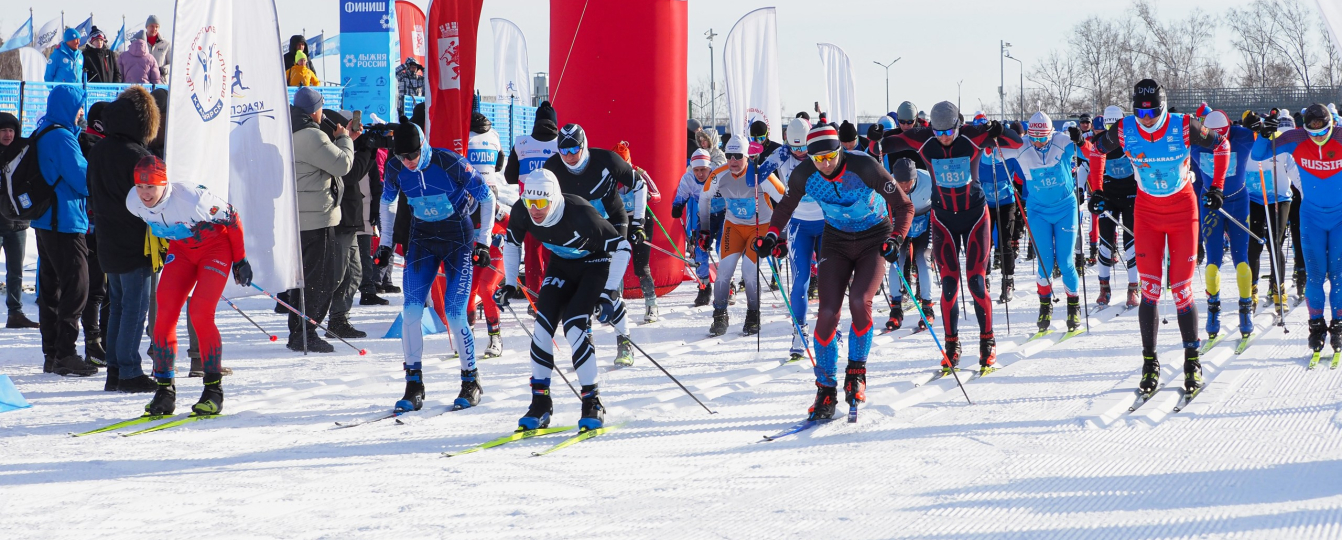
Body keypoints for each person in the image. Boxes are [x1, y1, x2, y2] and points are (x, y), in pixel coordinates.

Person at [755, 123, 914, 420]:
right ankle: (825, 388)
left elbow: (904, 206)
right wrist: (772, 236)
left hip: (874, 237)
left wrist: (896, 239)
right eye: (818, 159)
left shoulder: (865, 166)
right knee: (827, 312)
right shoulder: (804, 174)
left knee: (859, 301)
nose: (825, 164)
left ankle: (856, 372)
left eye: (830, 156)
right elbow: (785, 207)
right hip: (836, 240)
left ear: (840, 150)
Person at [1087, 79, 1230, 397]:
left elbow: (1221, 145)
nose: (1147, 118)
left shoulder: (1183, 126)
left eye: (1153, 112)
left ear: (1163, 107)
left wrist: (1217, 187)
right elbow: (1095, 150)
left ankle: (1192, 361)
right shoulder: (1125, 130)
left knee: (1181, 290)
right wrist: (1096, 190)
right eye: (1141, 112)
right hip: (1147, 213)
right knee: (1149, 290)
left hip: (1182, 211)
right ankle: (1149, 363)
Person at [881, 101, 1024, 374]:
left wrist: (1000, 129)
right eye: (938, 132)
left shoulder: (973, 135)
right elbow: (887, 144)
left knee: (976, 282)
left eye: (948, 132)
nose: (943, 138)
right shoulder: (925, 138)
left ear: (959, 125)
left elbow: (1015, 142)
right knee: (949, 285)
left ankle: (987, 342)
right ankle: (951, 345)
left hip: (975, 218)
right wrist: (878, 135)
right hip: (944, 220)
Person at [374, 120, 495, 412]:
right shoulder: (396, 167)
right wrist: (386, 243)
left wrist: (484, 242)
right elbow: (387, 202)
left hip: (457, 239)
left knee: (455, 313)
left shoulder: (449, 162)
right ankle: (413, 384)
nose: (408, 162)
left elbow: (487, 197)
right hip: (423, 240)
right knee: (411, 311)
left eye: (412, 155)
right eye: (402, 156)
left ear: (423, 146)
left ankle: (471, 380)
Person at [496, 169, 630, 431]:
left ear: (554, 199)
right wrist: (509, 283)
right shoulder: (523, 210)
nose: (534, 209)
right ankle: (540, 404)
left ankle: (592, 402)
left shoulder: (581, 214)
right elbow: (512, 243)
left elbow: (622, 247)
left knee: (575, 326)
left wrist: (609, 292)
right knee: (542, 328)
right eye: (529, 201)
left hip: (595, 265)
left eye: (541, 202)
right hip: (561, 266)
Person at [128, 156, 251, 416]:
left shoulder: (193, 199)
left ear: (164, 184)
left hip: (215, 249)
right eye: (139, 186)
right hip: (182, 252)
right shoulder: (133, 202)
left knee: (200, 313)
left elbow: (232, 217)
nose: (144, 193)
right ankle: (165, 391)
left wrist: (240, 260)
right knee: (163, 315)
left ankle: (213, 390)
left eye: (150, 187)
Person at [1249, 104, 1342, 358]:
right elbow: (1258, 155)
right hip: (1312, 218)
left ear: (1331, 125)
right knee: (1315, 276)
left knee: (1338, 276)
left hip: (1339, 219)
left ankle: (1338, 325)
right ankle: (1316, 327)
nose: (1318, 137)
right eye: (1313, 132)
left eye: (1323, 132)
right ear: (1305, 128)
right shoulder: (1296, 138)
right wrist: (1265, 134)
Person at [543, 123, 641, 364]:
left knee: (608, 288)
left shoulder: (606, 160)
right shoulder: (552, 168)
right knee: (580, 286)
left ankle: (624, 342)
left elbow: (640, 185)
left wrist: (638, 222)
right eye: (564, 151)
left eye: (574, 149)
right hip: (580, 228)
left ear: (583, 145)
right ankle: (585, 341)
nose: (569, 156)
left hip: (612, 223)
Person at [87, 85, 160, 392]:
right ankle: (129, 371)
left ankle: (116, 370)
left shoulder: (99, 149)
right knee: (133, 307)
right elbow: (153, 199)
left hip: (107, 239)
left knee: (117, 305)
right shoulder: (138, 156)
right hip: (134, 241)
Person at [30, 85, 95, 377]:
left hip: (45, 220)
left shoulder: (43, 131)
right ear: (68, 106)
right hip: (64, 221)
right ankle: (66, 353)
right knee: (77, 286)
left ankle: (53, 353)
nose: (81, 112)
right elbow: (83, 180)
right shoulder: (62, 137)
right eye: (79, 106)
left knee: (51, 288)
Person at [1005, 112, 1085, 335]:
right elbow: (990, 154)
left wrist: (1080, 140)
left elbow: (1089, 152)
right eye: (1034, 138)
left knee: (1066, 261)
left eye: (1043, 138)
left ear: (1051, 134)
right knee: (1045, 263)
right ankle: (1045, 308)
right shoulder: (1023, 146)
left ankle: (1073, 307)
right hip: (1038, 211)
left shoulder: (1061, 141)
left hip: (1065, 208)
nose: (1038, 143)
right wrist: (996, 134)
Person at [288, 87, 355, 353]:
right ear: (315, 110)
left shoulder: (290, 129)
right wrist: (345, 139)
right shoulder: (312, 136)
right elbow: (342, 165)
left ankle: (298, 330)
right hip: (317, 217)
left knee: (302, 279)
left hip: (298, 217)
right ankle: (307, 331)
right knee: (320, 279)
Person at [699, 135, 785, 337]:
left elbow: (785, 199)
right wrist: (705, 230)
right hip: (734, 227)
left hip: (760, 227)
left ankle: (753, 315)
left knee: (749, 270)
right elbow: (704, 197)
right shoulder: (719, 175)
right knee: (724, 271)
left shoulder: (761, 174)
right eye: (729, 155)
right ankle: (719, 315)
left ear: (748, 156)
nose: (733, 160)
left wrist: (781, 235)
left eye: (738, 156)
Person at [1191, 109, 1256, 343]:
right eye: (1212, 138)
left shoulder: (1242, 136)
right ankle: (1213, 308)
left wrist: (1262, 127)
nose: (1217, 143)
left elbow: (1268, 141)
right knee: (1212, 262)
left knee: (1242, 260)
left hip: (1238, 201)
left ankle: (1245, 308)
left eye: (1223, 137)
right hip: (1210, 203)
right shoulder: (1196, 143)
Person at [327, 110, 383, 340]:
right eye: (347, 127)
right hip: (339, 218)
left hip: (349, 217)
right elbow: (350, 175)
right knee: (338, 274)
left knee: (354, 273)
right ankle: (317, 321)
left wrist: (367, 147)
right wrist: (366, 149)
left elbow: (360, 171)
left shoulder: (345, 146)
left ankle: (339, 319)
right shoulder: (332, 149)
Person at [774, 117, 825, 359]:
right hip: (798, 224)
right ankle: (799, 330)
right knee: (800, 280)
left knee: (828, 279)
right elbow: (755, 176)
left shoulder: (820, 151)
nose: (800, 152)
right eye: (794, 148)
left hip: (826, 222)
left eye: (804, 147)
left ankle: (831, 326)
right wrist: (755, 160)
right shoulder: (782, 155)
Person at [466, 110, 512, 358]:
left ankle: (495, 337)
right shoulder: (462, 204)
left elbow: (512, 224)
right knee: (466, 291)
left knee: (485, 288)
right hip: (475, 251)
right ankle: (468, 336)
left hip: (495, 251)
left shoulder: (492, 204)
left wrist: (502, 237)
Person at [503, 101, 558, 297]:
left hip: (528, 208)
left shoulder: (522, 143)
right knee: (553, 253)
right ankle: (553, 296)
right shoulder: (561, 144)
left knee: (532, 254)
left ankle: (535, 298)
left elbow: (509, 177)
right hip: (554, 209)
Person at [1092, 106, 1140, 308]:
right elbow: (1092, 165)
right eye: (1109, 126)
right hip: (1109, 196)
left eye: (1116, 125)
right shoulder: (1100, 141)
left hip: (1131, 195)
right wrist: (1096, 193)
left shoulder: (1132, 139)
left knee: (1131, 243)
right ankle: (1104, 287)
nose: (1112, 130)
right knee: (1105, 242)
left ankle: (1133, 287)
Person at [612, 141, 662, 324]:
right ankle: (615, 304)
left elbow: (657, 195)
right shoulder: (608, 175)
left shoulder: (639, 174)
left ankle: (651, 304)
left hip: (640, 222)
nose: (621, 171)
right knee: (615, 264)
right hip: (619, 222)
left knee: (641, 266)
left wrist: (648, 196)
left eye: (625, 166)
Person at [885, 158, 934, 332]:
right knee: (895, 261)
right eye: (901, 183)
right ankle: (896, 308)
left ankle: (927, 307)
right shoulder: (889, 184)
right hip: (901, 222)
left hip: (925, 220)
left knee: (923, 258)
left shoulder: (928, 179)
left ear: (915, 177)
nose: (904, 187)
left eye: (908, 182)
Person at [0, 113, 39, 330]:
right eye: (3, 130)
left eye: (11, 130)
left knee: (16, 272)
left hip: (17, 224)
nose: (8, 135)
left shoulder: (22, 153)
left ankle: (15, 313)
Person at [671, 150, 725, 307]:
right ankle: (704, 286)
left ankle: (728, 284)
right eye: (696, 170)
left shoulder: (719, 175)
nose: (700, 174)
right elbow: (681, 196)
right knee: (700, 249)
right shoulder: (688, 179)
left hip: (725, 214)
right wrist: (677, 206)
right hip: (705, 217)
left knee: (723, 248)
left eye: (703, 170)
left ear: (709, 167)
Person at [77, 103, 109, 367]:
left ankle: (98, 341)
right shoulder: (93, 145)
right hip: (94, 224)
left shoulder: (85, 142)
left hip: (89, 224)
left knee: (99, 287)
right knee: (98, 287)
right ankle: (95, 342)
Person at [979, 138, 1018, 303]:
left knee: (1005, 242)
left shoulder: (1007, 155)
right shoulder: (978, 156)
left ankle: (1008, 282)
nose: (990, 149)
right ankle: (984, 280)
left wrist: (1027, 195)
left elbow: (1023, 176)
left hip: (1006, 203)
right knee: (984, 243)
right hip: (985, 205)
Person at [132, 16, 172, 80]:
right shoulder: (139, 43)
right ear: (146, 27)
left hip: (160, 80)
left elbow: (171, 63)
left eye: (157, 27)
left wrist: (165, 69)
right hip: (144, 80)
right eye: (152, 26)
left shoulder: (166, 44)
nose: (154, 29)